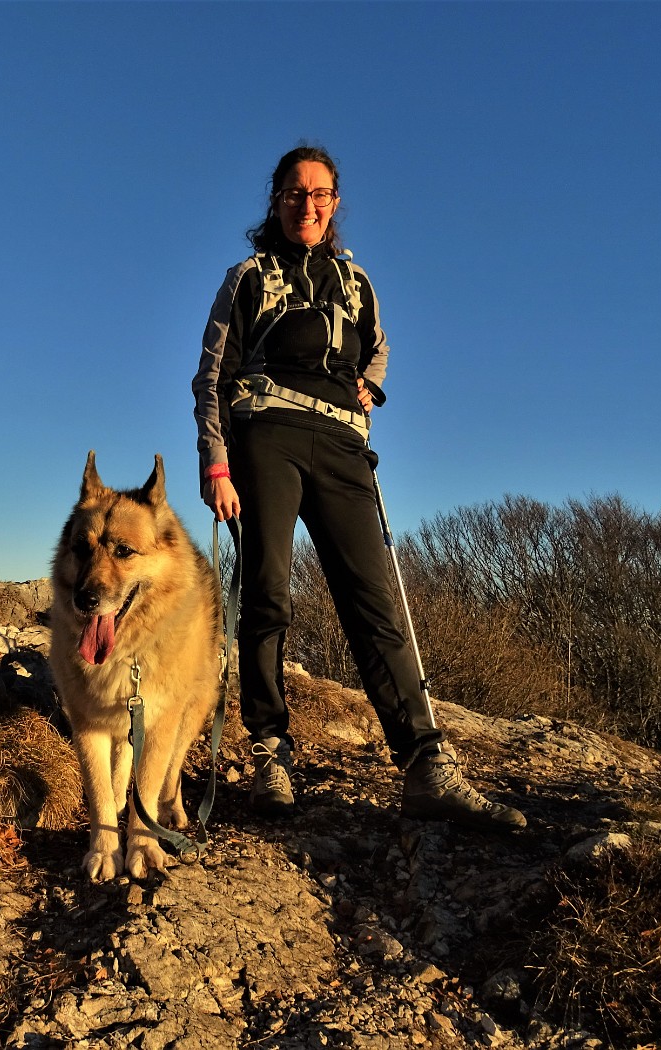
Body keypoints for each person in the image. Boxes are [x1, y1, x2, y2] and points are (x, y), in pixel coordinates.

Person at [191, 144, 525, 830]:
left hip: (344, 445)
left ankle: (426, 763)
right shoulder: (247, 277)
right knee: (268, 592)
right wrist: (216, 462)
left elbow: (378, 346)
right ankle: (271, 752)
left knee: (375, 600)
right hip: (266, 436)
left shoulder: (356, 281)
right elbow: (212, 376)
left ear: (334, 204)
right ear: (275, 198)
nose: (306, 205)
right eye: (293, 193)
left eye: (319, 195)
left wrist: (371, 383)